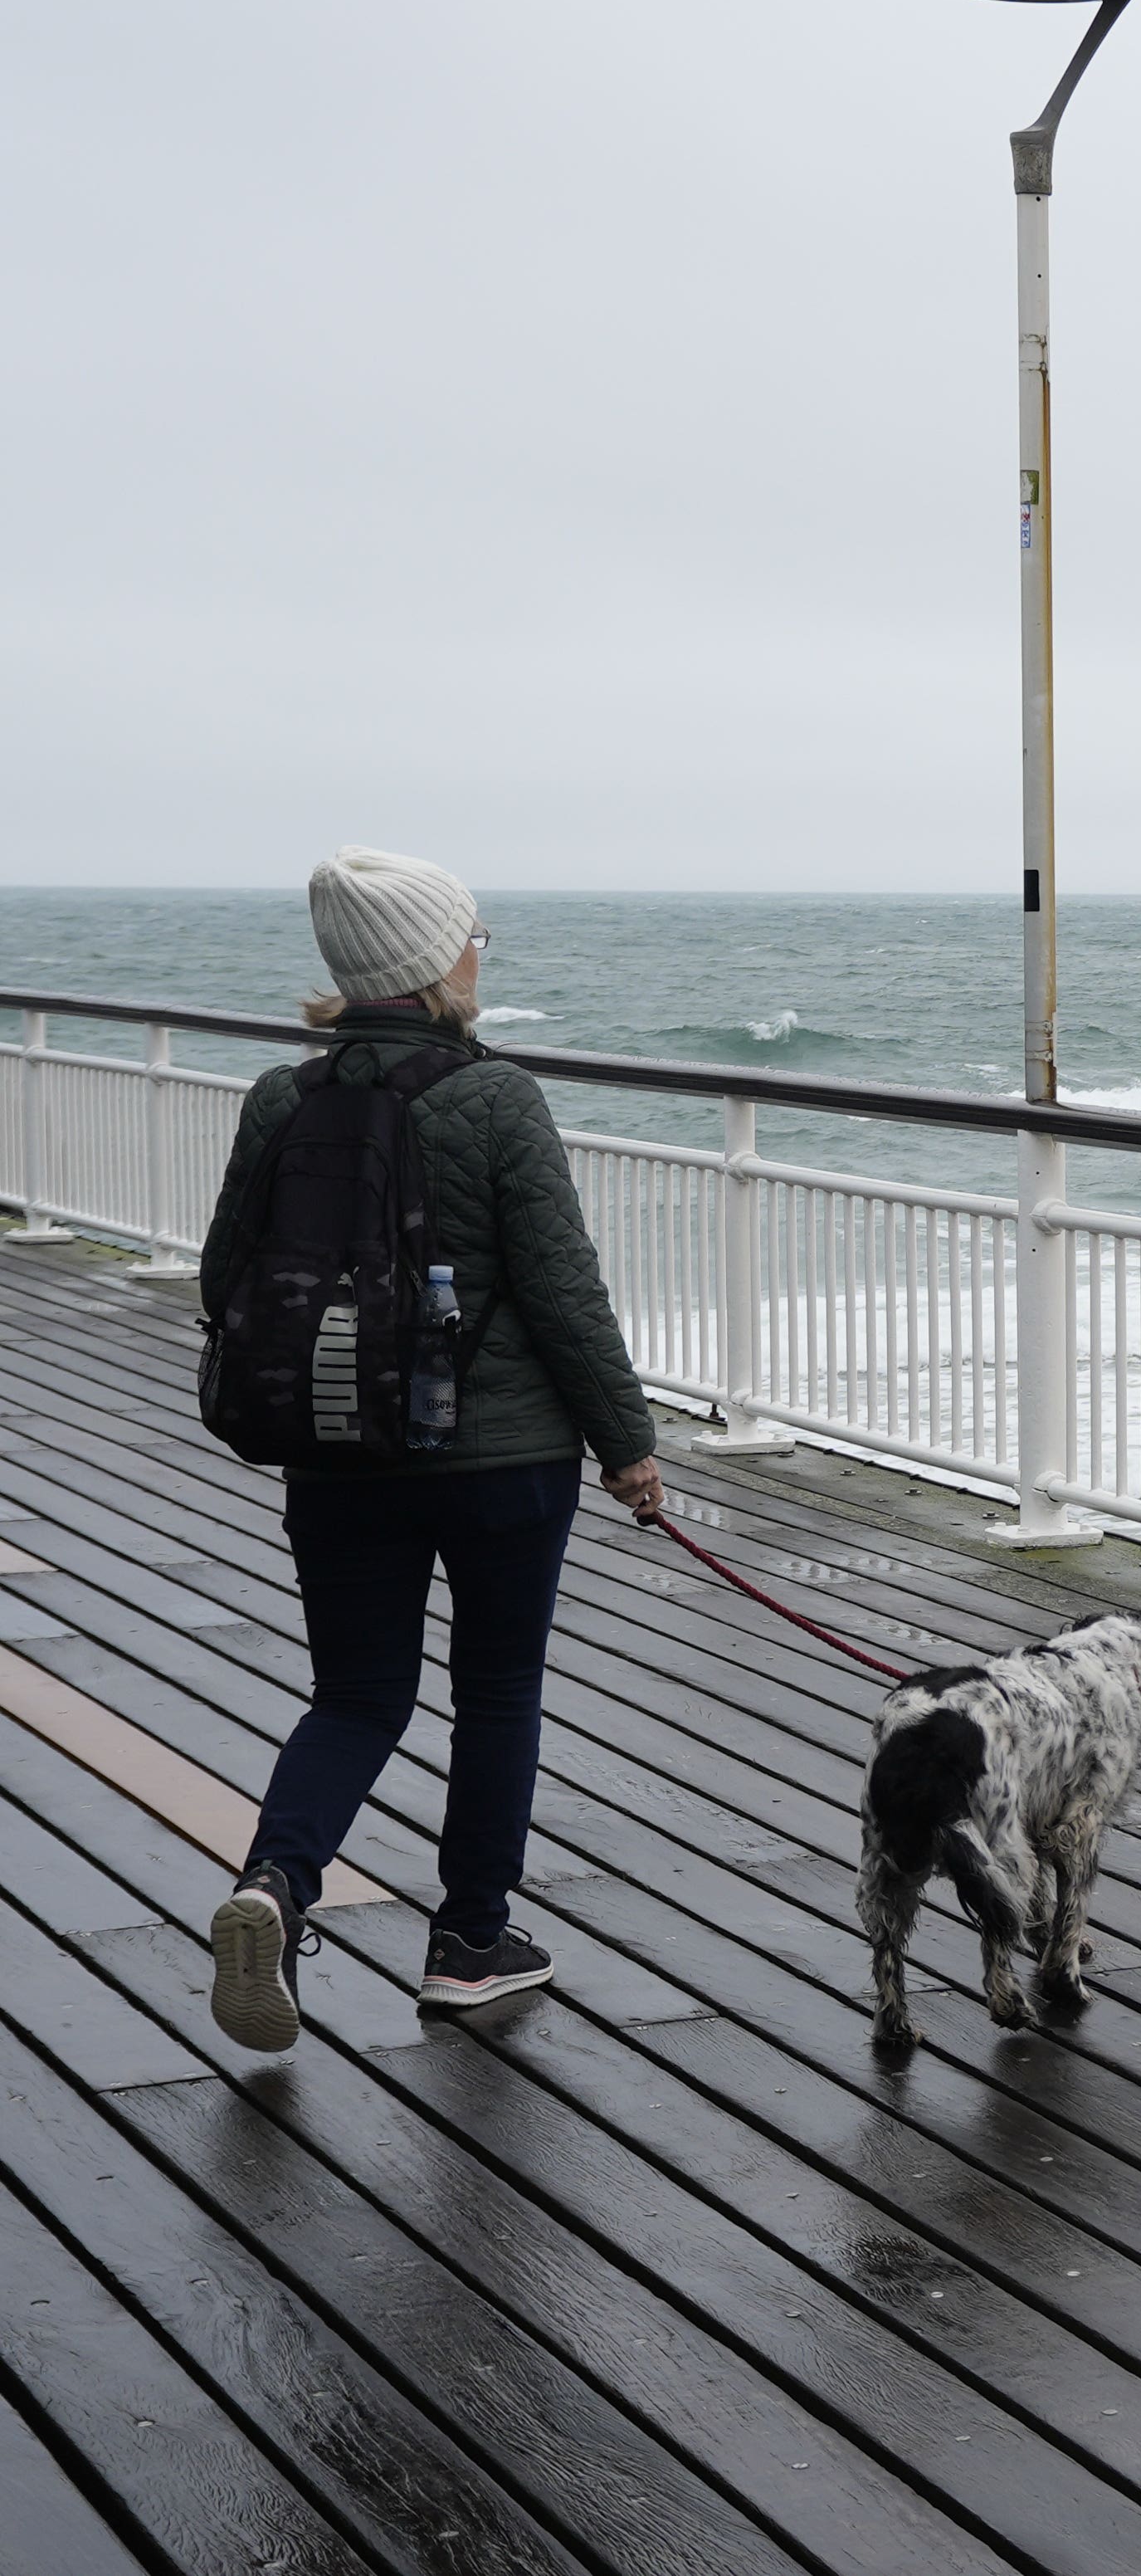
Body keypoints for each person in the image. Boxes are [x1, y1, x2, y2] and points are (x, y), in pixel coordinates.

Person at [201, 848, 662, 2051]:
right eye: (471, 936)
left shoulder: (280, 1098)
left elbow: (224, 1280)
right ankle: (468, 1942)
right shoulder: (497, 1098)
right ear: (433, 962)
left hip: (338, 1455)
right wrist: (630, 1447)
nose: (476, 951)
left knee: (357, 1695)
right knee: (496, 1692)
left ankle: (277, 1885)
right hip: (501, 1462)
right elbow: (565, 1295)